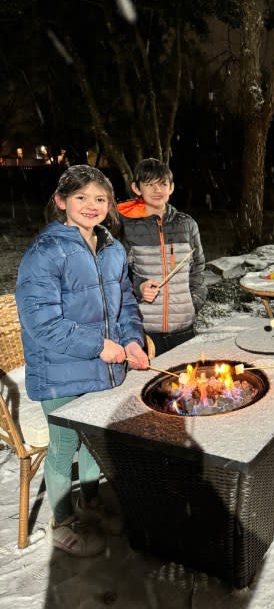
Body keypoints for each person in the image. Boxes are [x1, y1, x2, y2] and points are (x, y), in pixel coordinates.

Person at [16, 165, 149, 557]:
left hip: (102, 369)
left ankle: (89, 504)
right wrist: (98, 345)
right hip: (60, 370)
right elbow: (41, 323)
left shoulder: (111, 248)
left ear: (110, 206)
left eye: (100, 199)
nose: (92, 206)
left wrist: (132, 340)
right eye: (81, 198)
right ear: (60, 202)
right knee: (63, 446)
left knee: (94, 441)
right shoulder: (45, 253)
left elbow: (125, 304)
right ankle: (62, 517)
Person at [118, 158, 207, 356]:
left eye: (163, 184)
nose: (157, 190)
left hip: (184, 326)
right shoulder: (126, 227)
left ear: (172, 187)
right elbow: (119, 273)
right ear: (136, 188)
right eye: (149, 185)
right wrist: (139, 286)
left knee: (187, 381)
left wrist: (194, 302)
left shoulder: (187, 224)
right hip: (145, 328)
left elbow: (198, 268)